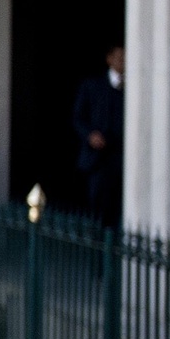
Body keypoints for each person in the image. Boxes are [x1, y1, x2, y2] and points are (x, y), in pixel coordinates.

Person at [73, 44, 125, 227]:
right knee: (97, 206)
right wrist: (90, 136)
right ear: (109, 59)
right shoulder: (92, 86)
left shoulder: (134, 86)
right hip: (98, 159)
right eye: (120, 57)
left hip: (122, 156)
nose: (123, 62)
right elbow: (78, 118)